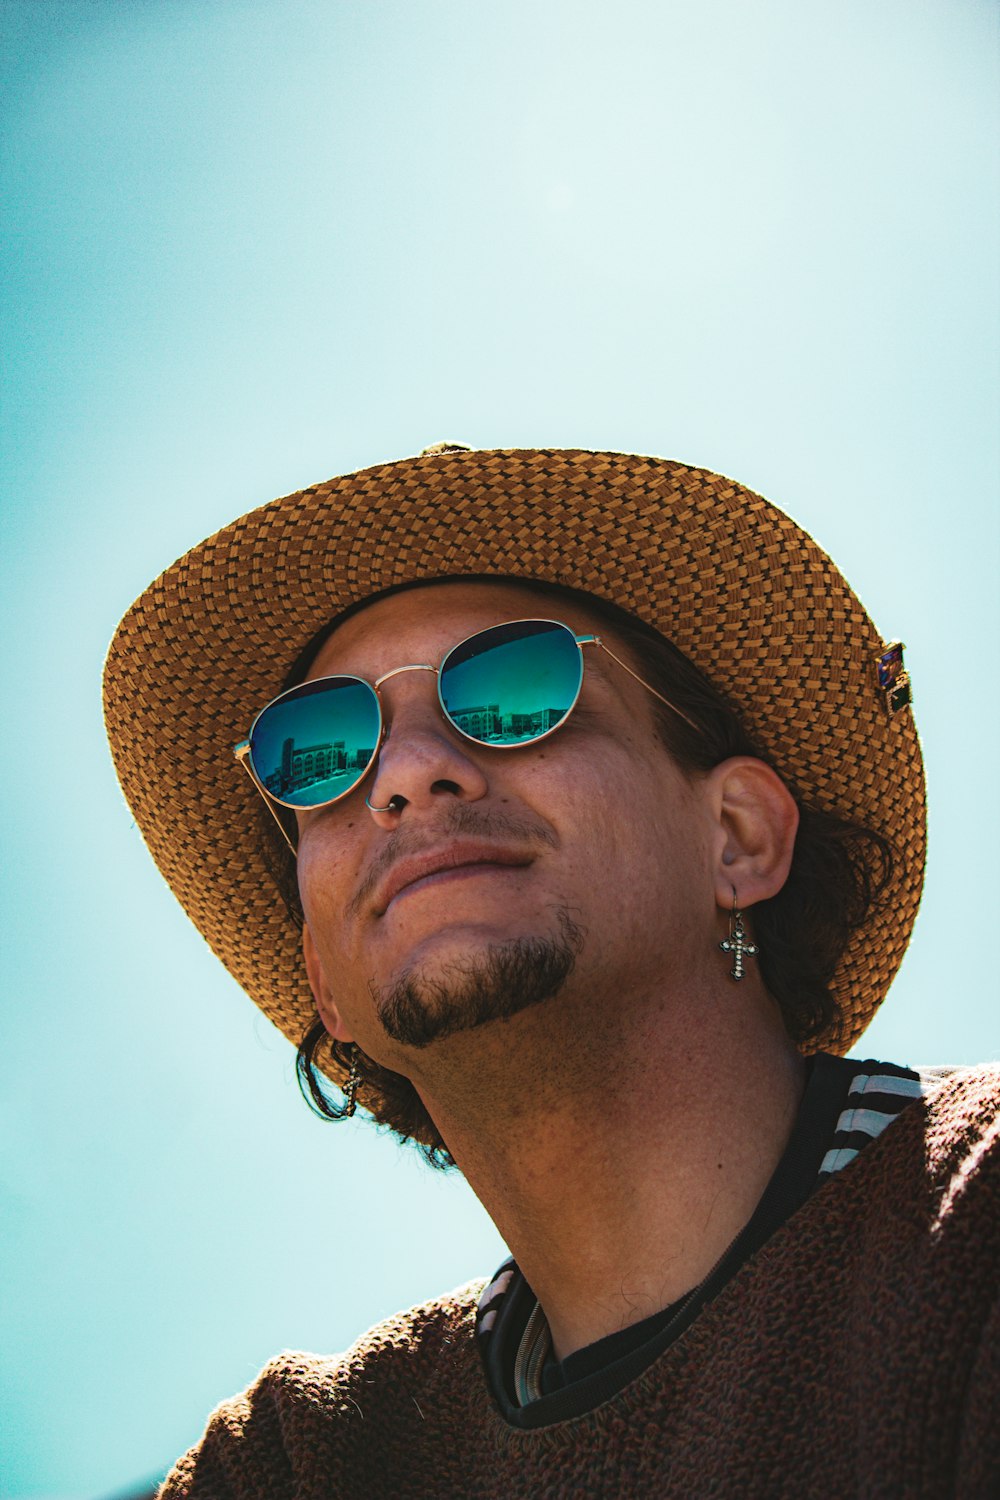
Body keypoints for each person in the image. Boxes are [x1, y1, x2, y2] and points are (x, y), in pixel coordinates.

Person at [104, 445, 998, 1498]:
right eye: (319, 749)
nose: (402, 774)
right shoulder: (295, 1465)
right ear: (324, 983)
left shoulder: (971, 1226)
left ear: (738, 838)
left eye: (515, 689)